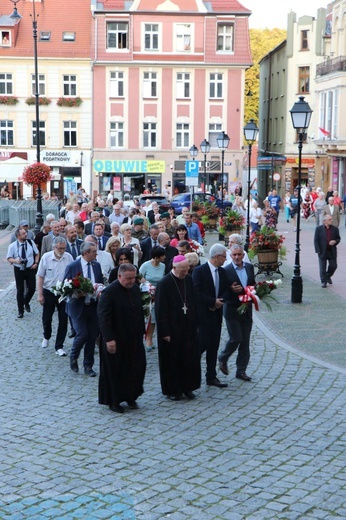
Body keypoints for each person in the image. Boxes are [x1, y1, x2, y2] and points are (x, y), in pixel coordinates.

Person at [97, 263, 146, 413]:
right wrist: (109, 339)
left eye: (133, 278)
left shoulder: (135, 289)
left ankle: (131, 396)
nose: (131, 281)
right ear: (119, 276)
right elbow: (103, 317)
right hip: (115, 339)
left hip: (133, 338)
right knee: (115, 370)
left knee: (135, 368)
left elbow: (139, 312)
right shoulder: (109, 293)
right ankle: (114, 400)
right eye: (128, 278)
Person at [155, 255, 200, 401]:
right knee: (172, 360)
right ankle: (173, 390)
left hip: (187, 328)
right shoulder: (165, 283)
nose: (185, 273)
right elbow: (160, 309)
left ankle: (188, 387)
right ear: (174, 268)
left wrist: (196, 323)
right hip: (172, 329)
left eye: (187, 270)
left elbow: (192, 301)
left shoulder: (188, 279)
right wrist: (165, 331)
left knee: (189, 359)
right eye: (183, 270)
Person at [64, 241, 103, 377]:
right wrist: (76, 293)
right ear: (86, 253)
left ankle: (88, 365)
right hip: (78, 306)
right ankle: (74, 356)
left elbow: (100, 282)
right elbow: (65, 287)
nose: (96, 254)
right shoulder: (72, 266)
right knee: (82, 334)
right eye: (94, 252)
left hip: (93, 306)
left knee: (92, 336)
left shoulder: (96, 265)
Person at [192, 243, 228, 388]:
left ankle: (211, 376)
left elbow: (225, 290)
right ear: (217, 256)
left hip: (216, 315)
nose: (225, 260)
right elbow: (197, 292)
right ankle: (192, 374)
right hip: (203, 315)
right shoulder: (200, 271)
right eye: (224, 257)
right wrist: (212, 302)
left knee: (214, 346)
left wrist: (220, 301)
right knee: (202, 345)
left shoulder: (222, 272)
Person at [218, 244, 256, 382]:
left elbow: (252, 284)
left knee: (245, 341)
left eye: (239, 254)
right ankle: (223, 356)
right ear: (230, 255)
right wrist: (231, 290)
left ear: (243, 255)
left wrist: (257, 291)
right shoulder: (225, 271)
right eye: (234, 255)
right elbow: (221, 292)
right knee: (236, 338)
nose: (237, 257)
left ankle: (241, 370)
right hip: (232, 309)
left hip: (246, 309)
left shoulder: (249, 267)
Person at [37, 237, 73, 356]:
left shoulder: (68, 257)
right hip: (49, 291)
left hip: (63, 292)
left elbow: (72, 274)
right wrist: (40, 294)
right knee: (47, 318)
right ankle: (46, 335)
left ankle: (59, 345)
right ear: (54, 247)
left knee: (63, 319)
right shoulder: (46, 257)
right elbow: (40, 276)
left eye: (63, 248)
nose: (62, 250)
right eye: (59, 248)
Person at [7, 228, 40, 318]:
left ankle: (26, 301)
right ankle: (20, 310)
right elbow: (9, 258)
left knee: (32, 288)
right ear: (18, 236)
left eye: (25, 233)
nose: (26, 235)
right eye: (23, 233)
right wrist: (16, 261)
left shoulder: (30, 242)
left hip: (30, 268)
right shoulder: (13, 246)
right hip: (19, 269)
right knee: (20, 290)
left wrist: (36, 263)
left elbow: (37, 253)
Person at [139, 245, 166, 351]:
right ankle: (148, 340)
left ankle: (154, 338)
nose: (164, 258)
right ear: (156, 257)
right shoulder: (145, 265)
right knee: (150, 318)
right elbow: (139, 277)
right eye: (162, 256)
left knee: (155, 319)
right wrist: (147, 286)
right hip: (148, 296)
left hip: (159, 295)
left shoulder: (163, 266)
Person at [314, 214, 341, 288]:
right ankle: (324, 281)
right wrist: (318, 250)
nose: (331, 221)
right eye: (329, 219)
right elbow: (316, 240)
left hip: (331, 251)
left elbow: (338, 238)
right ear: (325, 221)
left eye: (331, 219)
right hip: (322, 251)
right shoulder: (319, 229)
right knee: (322, 267)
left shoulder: (335, 229)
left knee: (333, 266)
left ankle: (327, 276)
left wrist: (335, 241)